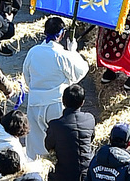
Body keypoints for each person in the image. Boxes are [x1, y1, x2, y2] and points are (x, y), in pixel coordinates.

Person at [23, 16, 90, 158]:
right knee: (58, 142)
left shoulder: (33, 52)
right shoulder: (63, 55)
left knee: (36, 144)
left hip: (35, 101)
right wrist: (73, 52)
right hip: (56, 103)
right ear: (62, 34)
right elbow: (81, 70)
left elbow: (27, 76)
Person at [44, 84, 95, 181]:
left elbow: (48, 146)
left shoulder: (55, 125)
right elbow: (91, 138)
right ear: (82, 103)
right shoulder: (90, 119)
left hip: (64, 174)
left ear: (63, 101)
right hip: (87, 171)